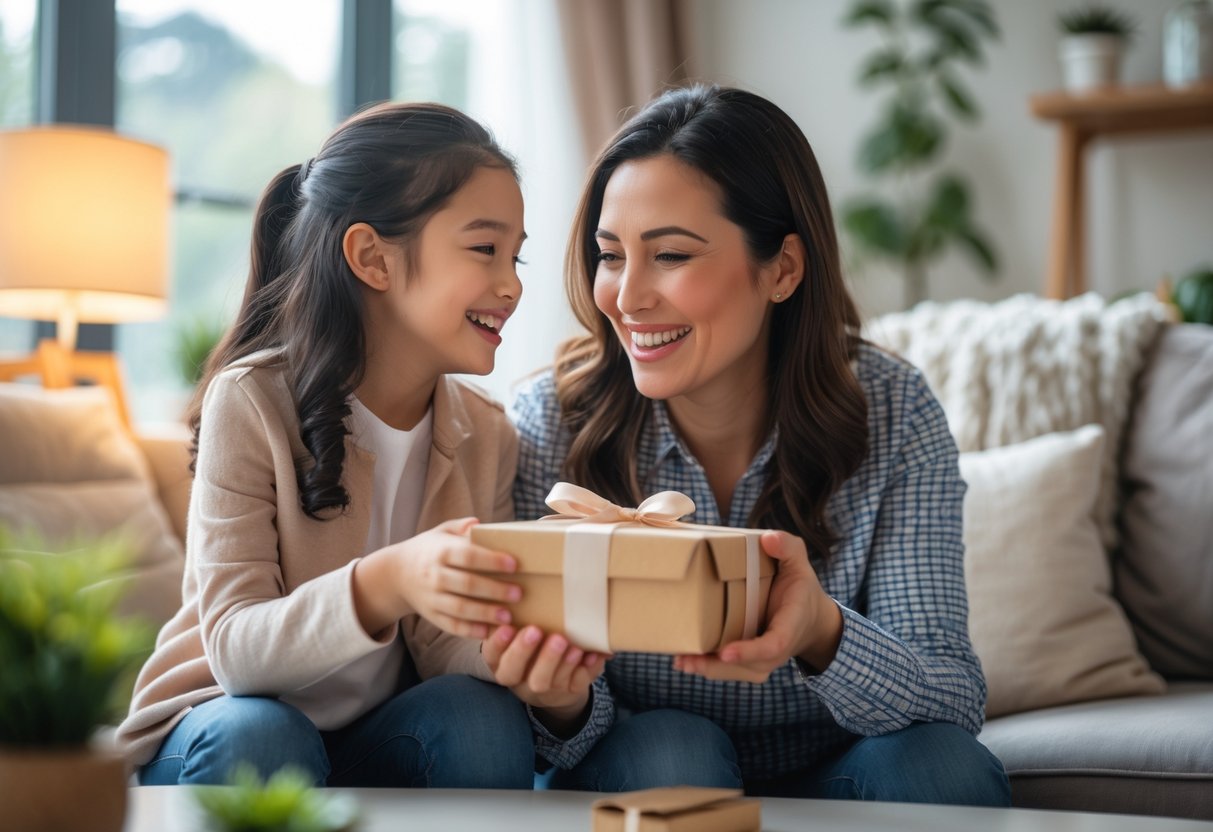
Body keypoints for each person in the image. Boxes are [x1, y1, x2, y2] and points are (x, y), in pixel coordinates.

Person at [509, 84, 1012, 805]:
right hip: (650, 764)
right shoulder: (550, 421)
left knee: (938, 767)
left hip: (837, 772)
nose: (625, 296)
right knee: (671, 746)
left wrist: (818, 629)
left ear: (781, 269)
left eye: (671, 255)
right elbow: (554, 736)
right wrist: (558, 699)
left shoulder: (892, 409)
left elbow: (951, 702)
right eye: (611, 255)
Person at [117, 101, 602, 788]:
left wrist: (519, 656)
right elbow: (237, 653)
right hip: (220, 721)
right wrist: (391, 579)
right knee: (264, 734)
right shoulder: (252, 400)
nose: (512, 284)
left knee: (480, 717)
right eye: (484, 249)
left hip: (377, 730)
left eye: (515, 255)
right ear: (372, 257)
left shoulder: (485, 430)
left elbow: (442, 646)